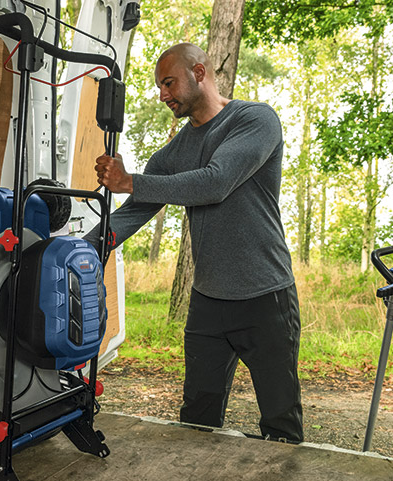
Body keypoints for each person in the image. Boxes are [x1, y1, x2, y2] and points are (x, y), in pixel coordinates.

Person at [86, 43, 303, 442]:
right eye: (159, 86)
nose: (162, 95)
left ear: (199, 73)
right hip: (208, 303)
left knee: (281, 423)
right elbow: (132, 213)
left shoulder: (255, 120)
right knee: (197, 422)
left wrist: (129, 180)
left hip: (265, 296)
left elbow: (215, 182)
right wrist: (79, 251)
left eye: (169, 83)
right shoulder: (173, 154)